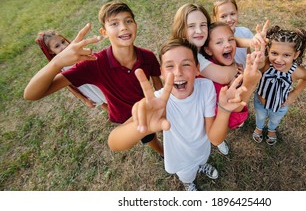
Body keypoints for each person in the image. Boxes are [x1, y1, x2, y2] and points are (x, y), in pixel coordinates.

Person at [108, 38, 263, 191]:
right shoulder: (158, 102)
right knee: (187, 175)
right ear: (161, 72)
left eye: (186, 64)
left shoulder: (206, 87)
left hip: (202, 149)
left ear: (197, 68)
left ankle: (201, 166)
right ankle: (189, 182)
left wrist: (223, 110)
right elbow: (114, 143)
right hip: (180, 159)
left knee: (201, 160)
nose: (178, 72)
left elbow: (215, 138)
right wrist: (142, 126)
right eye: (170, 66)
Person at [24, 0, 164, 156]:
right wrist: (57, 62)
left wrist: (163, 106)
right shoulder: (94, 64)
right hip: (127, 117)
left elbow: (158, 84)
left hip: (152, 108)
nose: (124, 27)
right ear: (104, 32)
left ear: (135, 25)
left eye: (128, 21)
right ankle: (163, 153)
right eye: (114, 24)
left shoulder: (148, 56)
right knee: (150, 137)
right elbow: (31, 94)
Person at [170, 3, 267, 155]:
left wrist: (251, 42)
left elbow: (226, 37)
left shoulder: (200, 43)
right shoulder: (189, 53)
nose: (199, 30)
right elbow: (224, 76)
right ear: (181, 29)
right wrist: (236, 68)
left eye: (203, 25)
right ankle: (218, 139)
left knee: (221, 113)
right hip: (193, 99)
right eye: (191, 26)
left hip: (209, 91)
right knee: (209, 124)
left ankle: (219, 135)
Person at [252, 25, 306, 145]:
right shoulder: (265, 64)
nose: (279, 60)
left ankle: (271, 129)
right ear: (268, 50)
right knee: (260, 117)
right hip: (260, 102)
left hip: (281, 106)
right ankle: (259, 128)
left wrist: (294, 93)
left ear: (295, 55)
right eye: (274, 53)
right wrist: (259, 50)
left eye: (286, 55)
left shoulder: (296, 71)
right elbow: (256, 63)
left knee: (275, 119)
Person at [36, 30, 108, 111]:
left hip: (100, 82)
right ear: (50, 51)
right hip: (88, 88)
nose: (63, 46)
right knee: (102, 103)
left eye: (63, 42)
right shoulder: (60, 68)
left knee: (111, 98)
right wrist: (84, 99)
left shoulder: (79, 53)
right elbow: (69, 86)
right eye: (57, 46)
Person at [200, 22, 251, 129]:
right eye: (219, 42)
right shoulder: (208, 81)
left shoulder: (229, 63)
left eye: (231, 39)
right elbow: (228, 122)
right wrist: (248, 84)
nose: (227, 44)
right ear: (208, 50)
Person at [212, 0, 254, 67]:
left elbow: (248, 55)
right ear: (215, 18)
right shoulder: (214, 38)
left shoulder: (245, 32)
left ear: (237, 13)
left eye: (232, 14)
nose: (229, 19)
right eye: (223, 16)